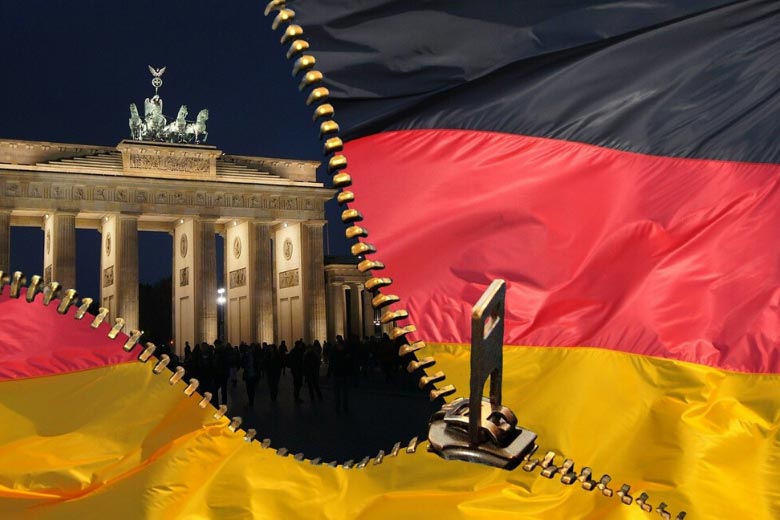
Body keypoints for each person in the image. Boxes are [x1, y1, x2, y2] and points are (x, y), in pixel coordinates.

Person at [330, 335, 353, 413]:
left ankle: (338, 407)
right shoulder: (346, 352)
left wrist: (330, 372)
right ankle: (345, 407)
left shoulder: (334, 352)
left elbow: (331, 362)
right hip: (344, 373)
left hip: (337, 373)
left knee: (337, 393)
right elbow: (349, 363)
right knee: (344, 392)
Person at [241, 342, 257, 408]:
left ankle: (251, 401)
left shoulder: (249, 355)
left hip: (250, 374)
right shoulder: (251, 355)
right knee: (250, 388)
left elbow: (243, 364)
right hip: (250, 374)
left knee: (250, 388)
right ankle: (251, 401)